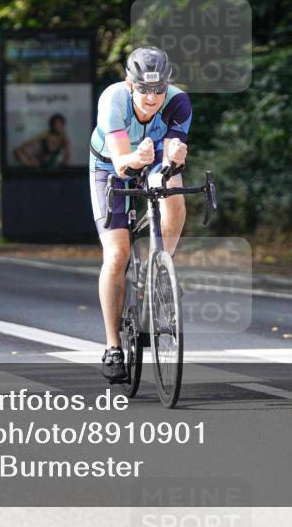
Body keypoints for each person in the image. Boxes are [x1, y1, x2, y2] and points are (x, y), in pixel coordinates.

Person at [89, 46, 191, 382]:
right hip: (109, 164)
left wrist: (175, 158)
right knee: (117, 255)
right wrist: (135, 158)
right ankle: (112, 345)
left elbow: (170, 161)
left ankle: (160, 269)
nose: (152, 98)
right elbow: (121, 163)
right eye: (144, 90)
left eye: (158, 89)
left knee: (172, 187)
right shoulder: (113, 100)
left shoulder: (178, 102)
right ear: (130, 85)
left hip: (153, 157)